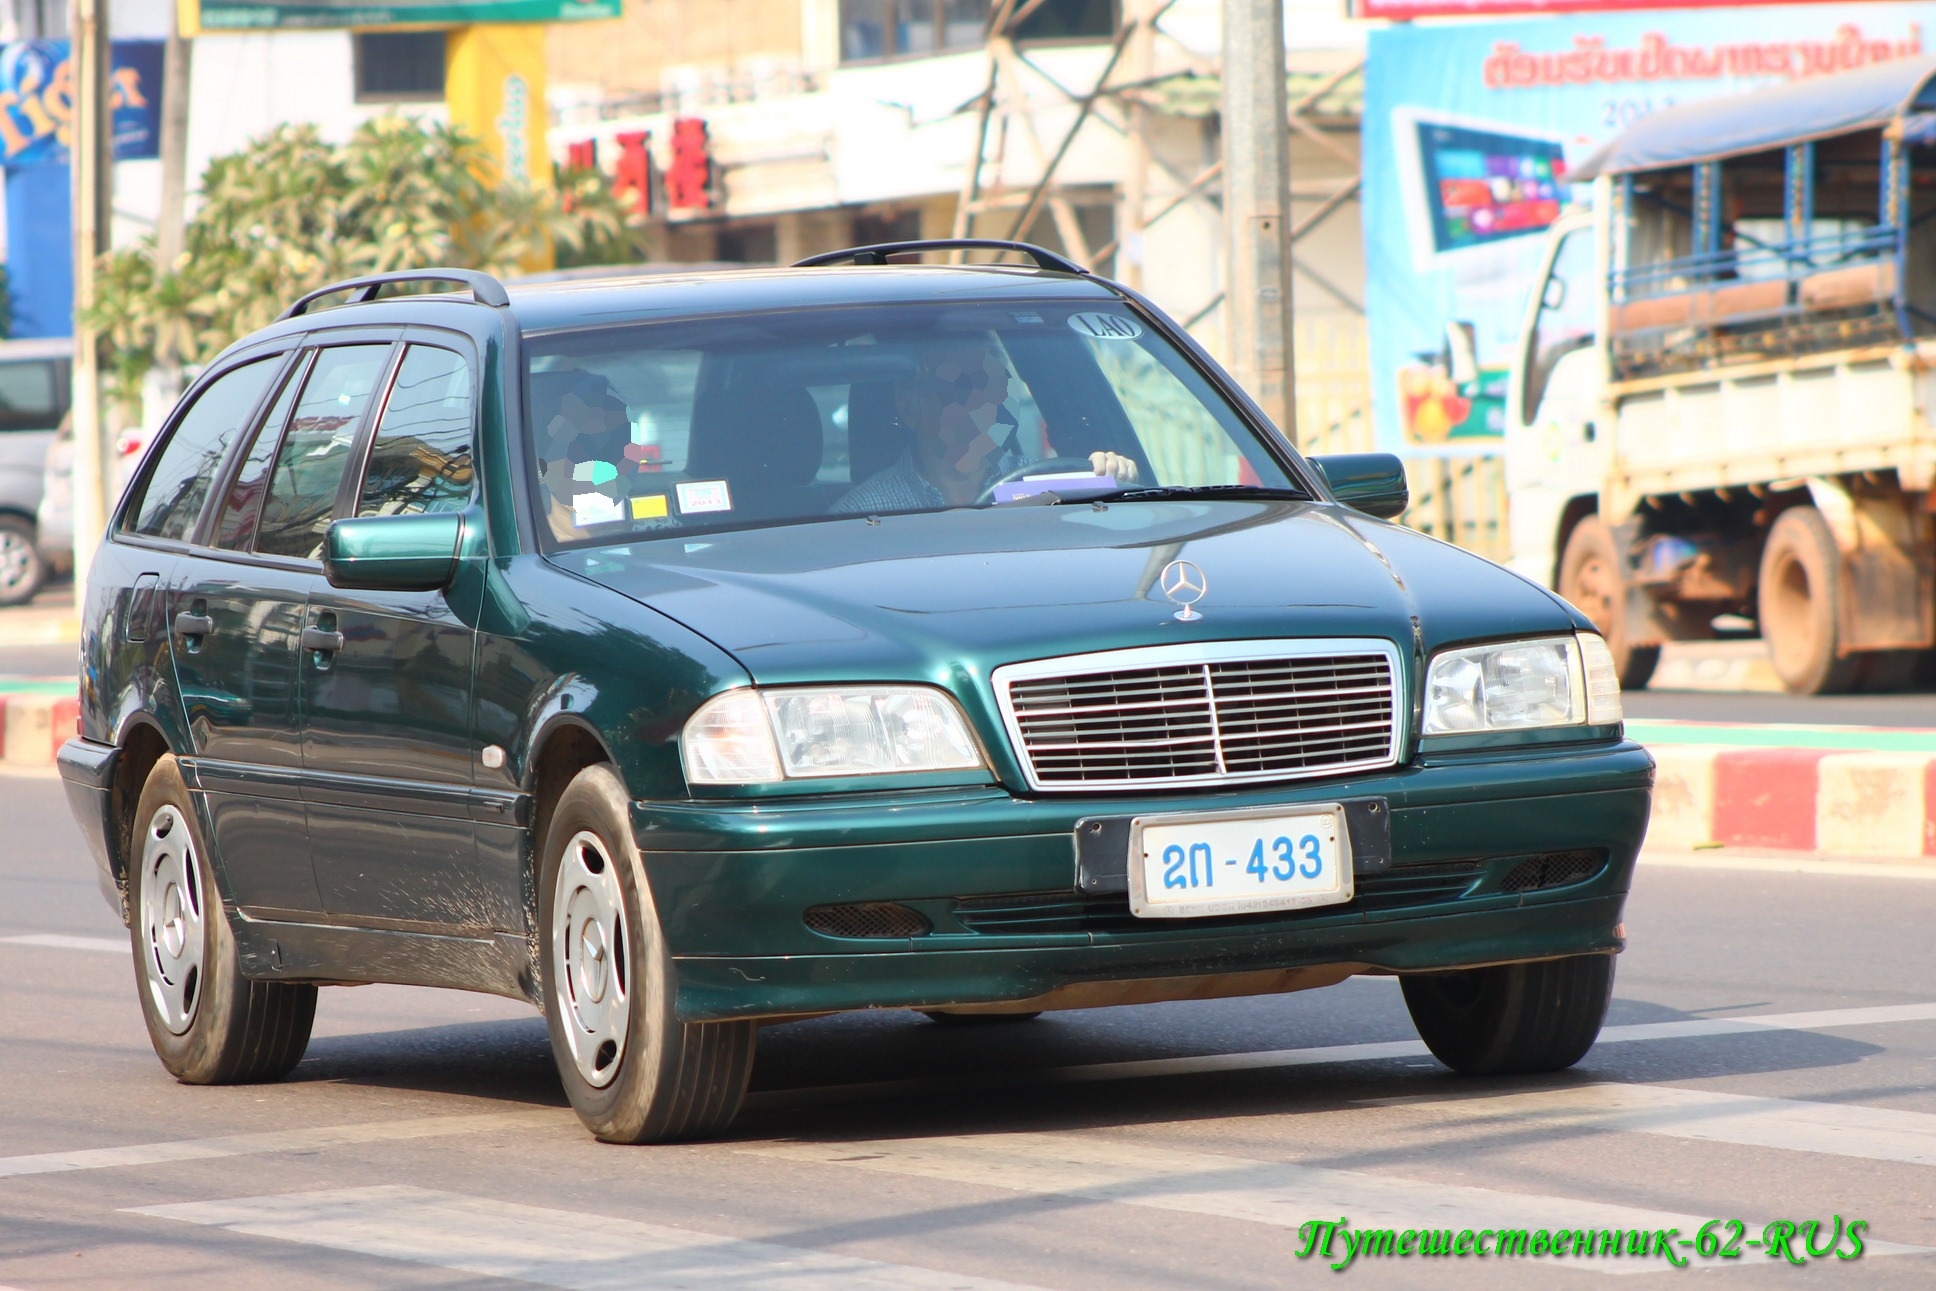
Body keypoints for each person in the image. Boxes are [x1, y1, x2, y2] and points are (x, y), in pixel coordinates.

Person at [833, 337, 1137, 514]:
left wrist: (1112, 478)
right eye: (959, 392)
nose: (981, 408)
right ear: (910, 407)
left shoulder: (1051, 483)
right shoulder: (864, 511)